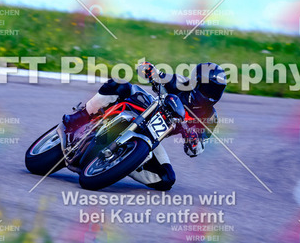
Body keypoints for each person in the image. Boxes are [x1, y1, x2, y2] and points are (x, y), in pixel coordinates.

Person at [62, 62, 227, 191]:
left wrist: (194, 141)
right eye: (209, 88)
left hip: (152, 138)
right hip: (144, 108)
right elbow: (159, 76)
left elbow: (197, 150)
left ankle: (123, 163)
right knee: (120, 85)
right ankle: (79, 117)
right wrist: (150, 70)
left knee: (167, 179)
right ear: (197, 82)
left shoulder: (210, 118)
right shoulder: (180, 83)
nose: (212, 94)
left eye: (216, 90)